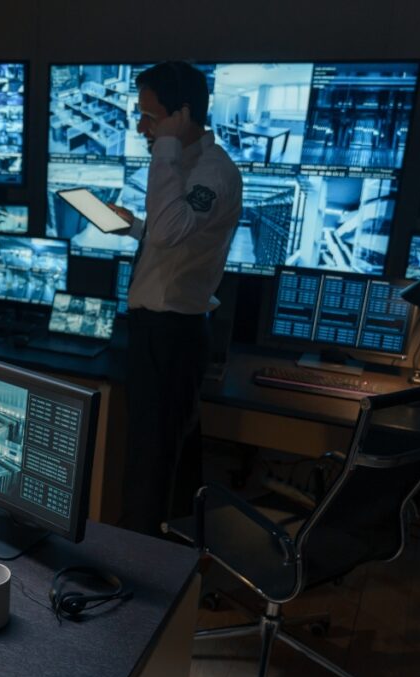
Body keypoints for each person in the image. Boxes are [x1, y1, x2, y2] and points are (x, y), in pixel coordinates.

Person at [109, 61, 243, 536]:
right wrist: (134, 227)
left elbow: (170, 231)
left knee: (151, 464)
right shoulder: (188, 166)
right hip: (158, 333)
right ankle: (172, 563)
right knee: (165, 457)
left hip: (172, 336)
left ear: (183, 116)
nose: (142, 127)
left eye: (151, 117)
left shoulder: (215, 172)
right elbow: (173, 237)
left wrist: (164, 146)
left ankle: (135, 577)